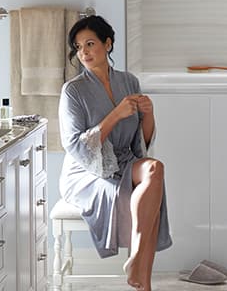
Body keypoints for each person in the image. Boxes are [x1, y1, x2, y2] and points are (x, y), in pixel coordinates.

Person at [59, 15, 171, 291]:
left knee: (155, 169)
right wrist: (116, 114)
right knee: (149, 198)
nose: (83, 52)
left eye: (90, 44)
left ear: (107, 44)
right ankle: (143, 284)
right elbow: (74, 145)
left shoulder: (129, 81)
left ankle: (134, 259)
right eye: (78, 46)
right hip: (86, 169)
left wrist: (149, 113)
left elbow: (140, 143)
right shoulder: (73, 91)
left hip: (124, 160)